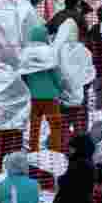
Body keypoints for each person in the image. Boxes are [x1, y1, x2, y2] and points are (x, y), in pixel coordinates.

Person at [22, 23, 64, 153]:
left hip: (33, 96)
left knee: (34, 126)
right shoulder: (49, 52)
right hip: (50, 96)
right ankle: (55, 150)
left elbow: (23, 75)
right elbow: (55, 74)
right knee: (55, 126)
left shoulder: (26, 53)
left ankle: (33, 150)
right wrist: (60, 88)